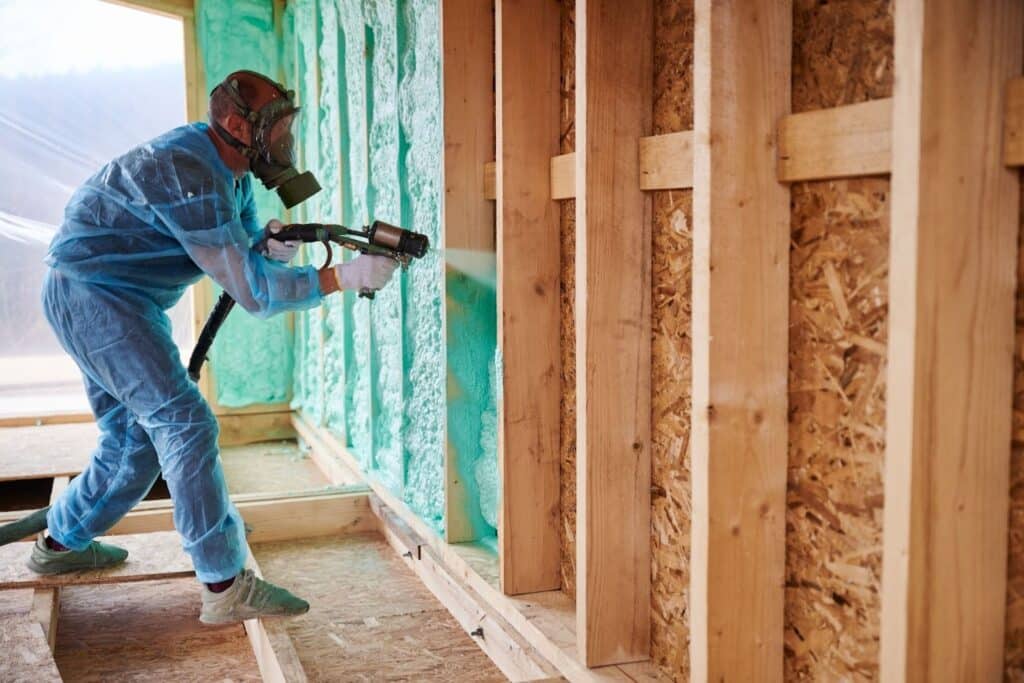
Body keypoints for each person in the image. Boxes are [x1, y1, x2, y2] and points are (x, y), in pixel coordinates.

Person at [24, 69, 397, 624]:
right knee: (184, 424)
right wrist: (340, 277)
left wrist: (269, 248)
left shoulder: (234, 174)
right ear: (234, 124)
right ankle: (223, 585)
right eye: (276, 129)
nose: (284, 143)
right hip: (95, 296)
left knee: (135, 441)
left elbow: (243, 260)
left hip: (108, 296)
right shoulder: (191, 170)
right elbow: (251, 293)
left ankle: (60, 545)